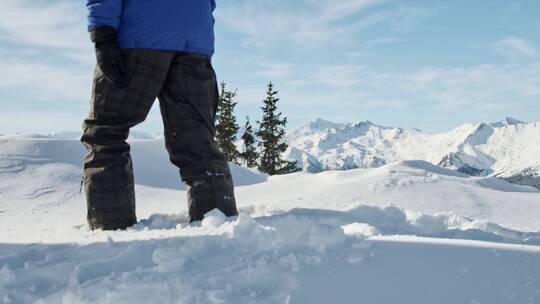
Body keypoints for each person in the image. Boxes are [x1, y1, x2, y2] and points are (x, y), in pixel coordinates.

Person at [81, 0, 239, 230]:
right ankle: (221, 225)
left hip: (139, 34)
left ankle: (112, 229)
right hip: (194, 38)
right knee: (196, 140)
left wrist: (103, 33)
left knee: (106, 134)